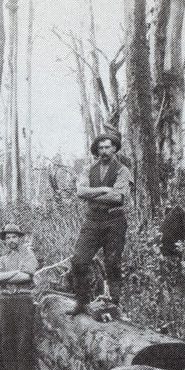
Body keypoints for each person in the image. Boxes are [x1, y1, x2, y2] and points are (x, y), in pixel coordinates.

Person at [71, 133, 134, 315]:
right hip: (92, 220)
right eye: (100, 148)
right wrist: (104, 189)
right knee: (78, 261)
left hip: (114, 221)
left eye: (107, 147)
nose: (104, 151)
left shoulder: (122, 170)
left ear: (114, 148)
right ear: (96, 150)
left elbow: (117, 197)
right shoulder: (88, 169)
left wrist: (93, 193)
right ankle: (82, 302)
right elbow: (80, 192)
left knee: (112, 263)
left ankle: (114, 303)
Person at [0, 223, 39, 370]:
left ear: (20, 238)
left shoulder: (28, 255)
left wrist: (7, 276)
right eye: (8, 237)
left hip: (23, 299)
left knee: (23, 341)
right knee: (7, 341)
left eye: (14, 237)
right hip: (5, 301)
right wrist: (14, 273)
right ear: (5, 240)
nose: (11, 240)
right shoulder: (3, 259)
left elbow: (26, 275)